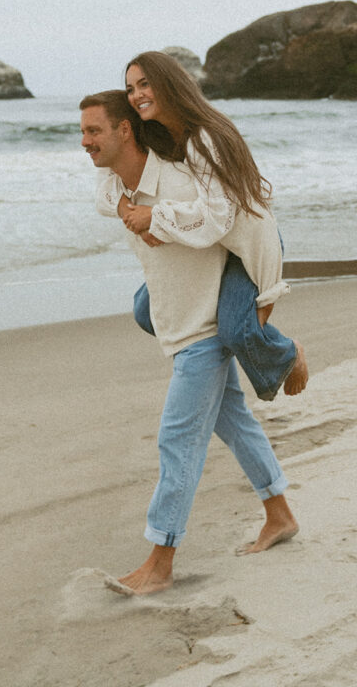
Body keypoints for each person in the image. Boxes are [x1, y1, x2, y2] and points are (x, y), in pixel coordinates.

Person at [80, 91, 300, 596]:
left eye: (94, 131)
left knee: (178, 442)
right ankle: (280, 514)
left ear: (125, 131)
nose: (85, 142)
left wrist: (265, 309)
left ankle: (160, 560)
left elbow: (253, 223)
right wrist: (123, 206)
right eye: (84, 132)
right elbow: (98, 194)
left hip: (204, 332)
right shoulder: (116, 182)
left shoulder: (183, 185)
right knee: (235, 420)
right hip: (176, 325)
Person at [100, 50, 308, 400]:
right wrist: (124, 206)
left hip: (245, 249)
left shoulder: (205, 137)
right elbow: (107, 175)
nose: (136, 95)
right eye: (130, 88)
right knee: (143, 311)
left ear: (169, 83)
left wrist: (155, 217)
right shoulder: (158, 136)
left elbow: (220, 216)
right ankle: (215, 356)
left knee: (237, 333)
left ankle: (289, 353)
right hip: (210, 248)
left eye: (145, 84)